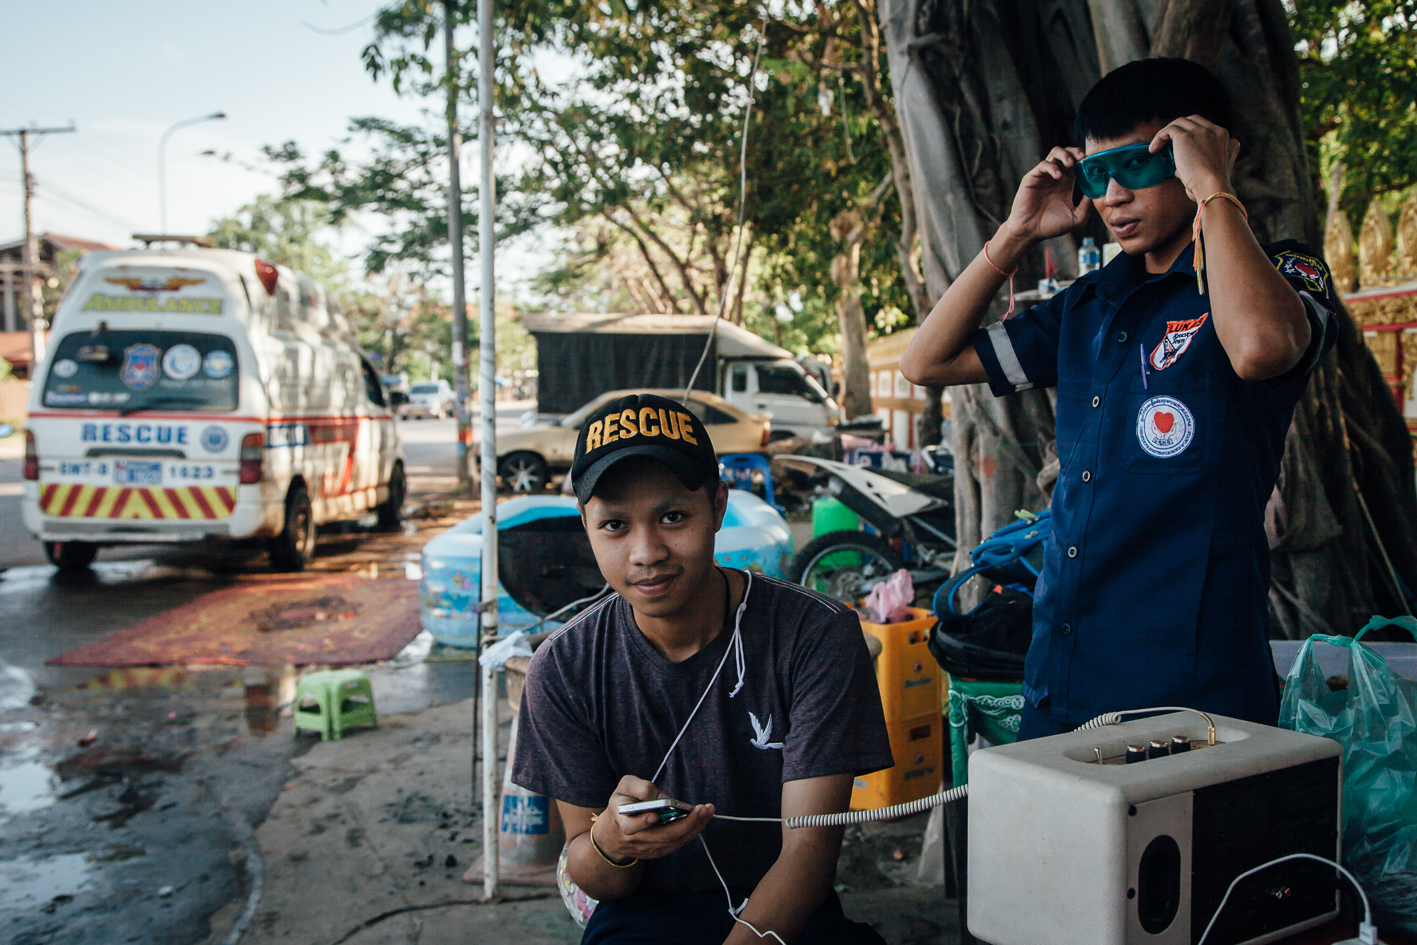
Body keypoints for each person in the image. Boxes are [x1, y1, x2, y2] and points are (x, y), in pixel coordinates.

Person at [899, 58, 1339, 740]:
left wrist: (1214, 188)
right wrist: (1014, 232)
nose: (1110, 195)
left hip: (1192, 692)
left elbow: (1258, 348)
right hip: (1063, 671)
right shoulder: (1088, 304)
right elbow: (925, 361)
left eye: (1136, 165)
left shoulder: (1279, 274)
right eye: (1095, 175)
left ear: (1199, 153)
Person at [512, 392, 893, 945]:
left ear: (718, 506)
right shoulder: (564, 667)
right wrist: (611, 846)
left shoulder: (815, 635)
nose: (646, 552)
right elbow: (590, 874)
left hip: (787, 906)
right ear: (585, 525)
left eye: (673, 517)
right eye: (614, 525)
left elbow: (809, 853)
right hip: (643, 911)